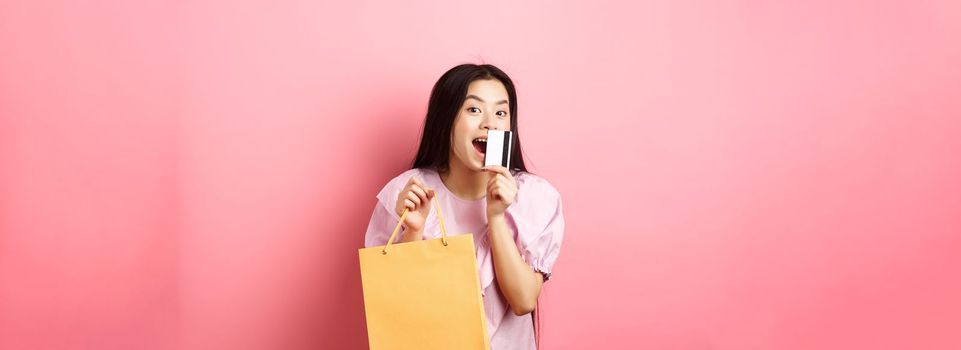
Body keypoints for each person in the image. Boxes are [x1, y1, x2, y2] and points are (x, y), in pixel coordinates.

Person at [364, 63, 564, 349]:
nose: (489, 123)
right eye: (473, 109)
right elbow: (403, 305)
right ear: (446, 121)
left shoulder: (534, 196)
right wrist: (413, 232)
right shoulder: (409, 190)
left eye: (500, 112)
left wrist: (496, 215)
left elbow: (522, 301)